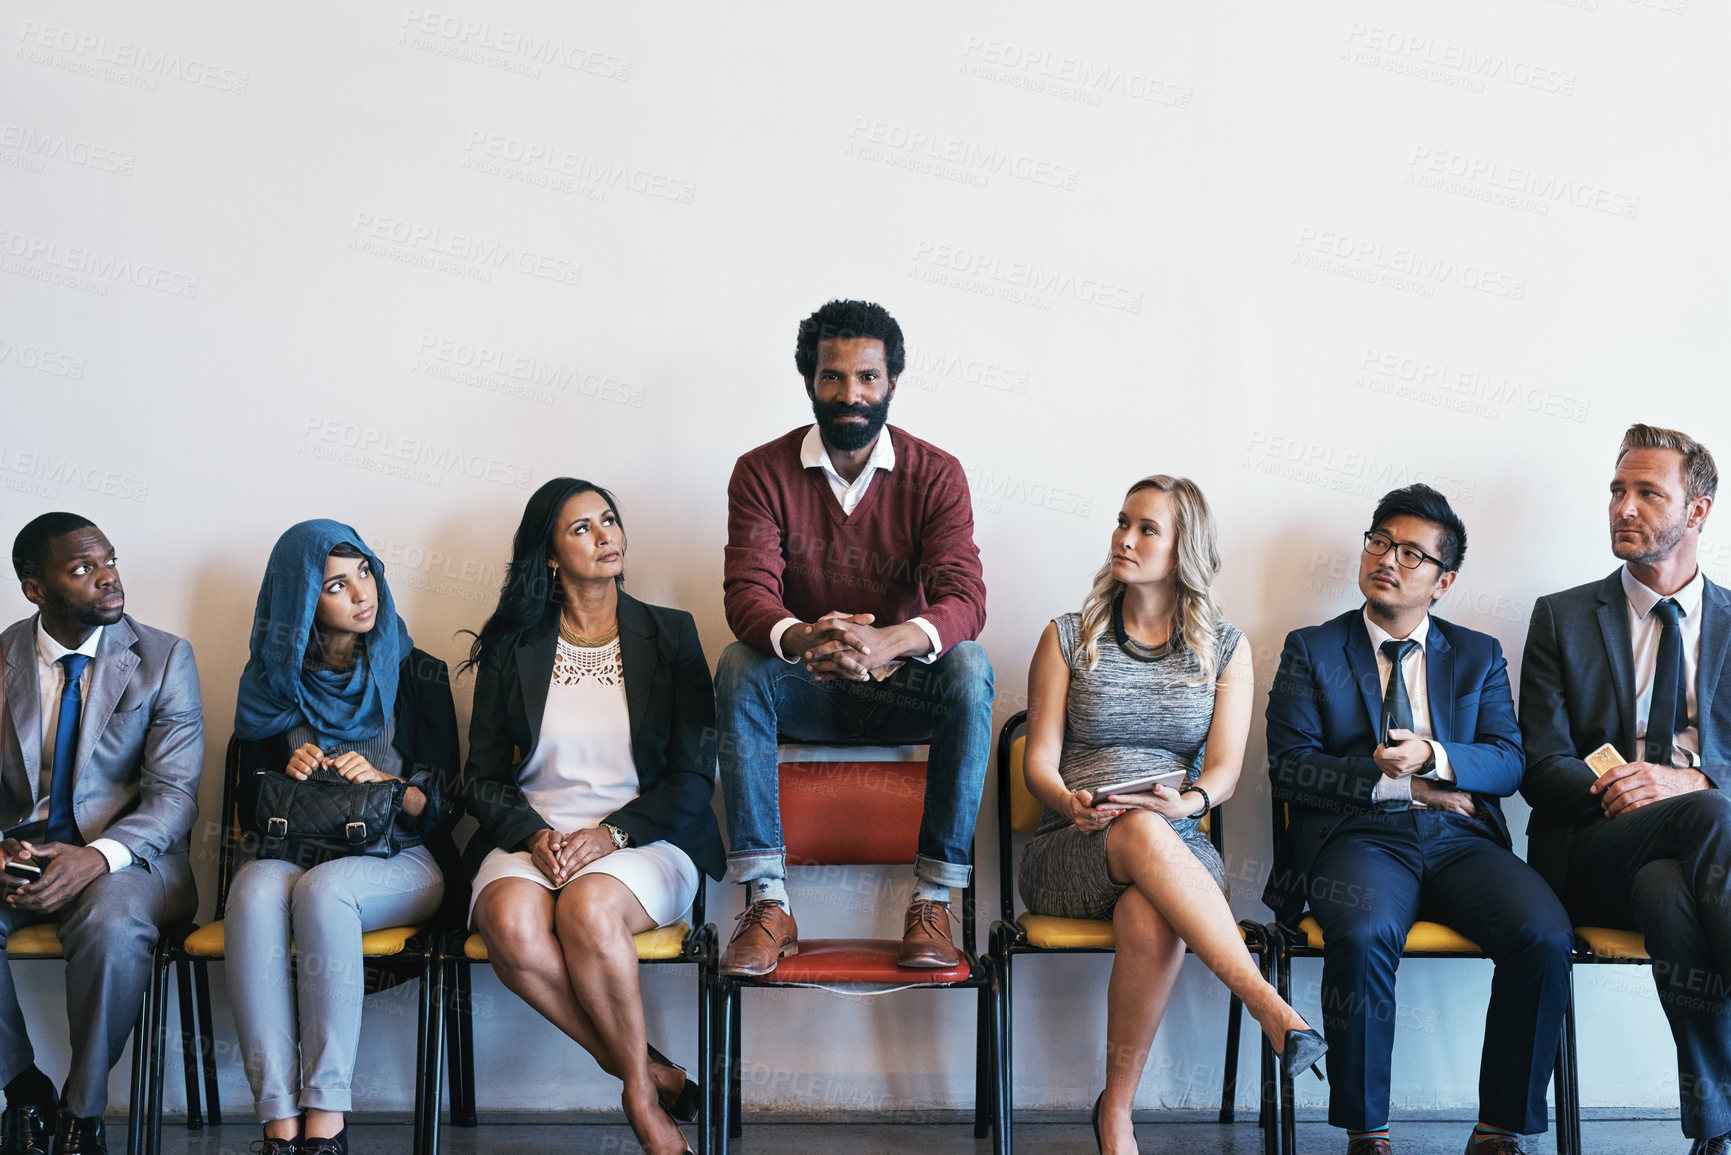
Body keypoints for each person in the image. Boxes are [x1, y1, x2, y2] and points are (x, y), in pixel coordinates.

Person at [1018, 475, 1325, 1155]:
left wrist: (1184, 801)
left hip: (1177, 845)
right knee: (1134, 828)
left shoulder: (1224, 646)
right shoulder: (1066, 636)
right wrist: (1067, 799)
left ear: (1183, 546)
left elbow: (1221, 769)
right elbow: (1036, 759)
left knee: (1150, 912)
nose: (1124, 538)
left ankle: (1116, 1113)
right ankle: (1268, 1006)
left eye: (1146, 527)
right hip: (1072, 846)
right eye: (1121, 522)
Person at [1265, 484, 1573, 1155]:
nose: (1388, 559)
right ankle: (1365, 1130)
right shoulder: (1310, 648)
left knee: (1544, 934)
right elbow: (1289, 768)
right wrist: (1391, 782)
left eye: (1410, 552)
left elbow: (1505, 762)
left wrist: (1432, 755)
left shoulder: (1477, 653)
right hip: (1357, 837)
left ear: (1443, 580)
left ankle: (1498, 1127)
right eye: (1378, 541)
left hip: (1461, 841)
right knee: (1367, 927)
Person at [716, 298, 993, 974]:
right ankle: (768, 902)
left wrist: (889, 642)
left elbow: (966, 597)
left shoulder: (936, 473)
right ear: (809, 380)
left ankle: (932, 902)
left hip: (901, 688)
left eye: (867, 377)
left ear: (892, 382)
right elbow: (747, 592)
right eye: (832, 377)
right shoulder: (760, 470)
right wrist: (807, 636)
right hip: (805, 684)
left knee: (971, 667)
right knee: (737, 666)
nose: (850, 394)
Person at [462, 478, 723, 1155]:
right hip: (537, 836)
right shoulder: (511, 646)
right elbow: (482, 776)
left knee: (586, 908)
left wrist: (612, 833)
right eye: (581, 527)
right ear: (548, 555)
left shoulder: (671, 634)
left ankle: (639, 1100)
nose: (605, 535)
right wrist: (531, 834)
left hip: (645, 837)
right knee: (509, 923)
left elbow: (696, 774)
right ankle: (645, 1068)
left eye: (608, 520)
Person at [1520, 424, 1731, 1155]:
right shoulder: (1561, 616)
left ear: (1697, 511)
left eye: (1647, 492)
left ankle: (1714, 1130)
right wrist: (1624, 784)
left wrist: (1689, 777)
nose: (1623, 507)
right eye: (1616, 490)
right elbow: (1538, 765)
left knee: (1668, 892)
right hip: (1586, 852)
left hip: (1694, 867)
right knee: (1705, 814)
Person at [224, 520, 461, 1155]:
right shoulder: (271, 682)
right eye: (336, 583)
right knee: (250, 894)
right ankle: (278, 1120)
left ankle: (325, 1120)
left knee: (326, 891)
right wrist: (286, 772)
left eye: (366, 572)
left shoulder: (419, 672)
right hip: (292, 852)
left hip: (402, 858)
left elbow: (442, 806)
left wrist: (388, 780)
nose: (363, 592)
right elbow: (250, 806)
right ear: (300, 598)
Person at [0, 513, 202, 1155]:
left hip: (131, 860)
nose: (108, 578)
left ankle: (79, 1115)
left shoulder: (165, 658)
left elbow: (174, 795)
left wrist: (95, 857)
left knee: (111, 925)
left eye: (109, 561)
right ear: (35, 589)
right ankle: (22, 1091)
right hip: (21, 851)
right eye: (83, 569)